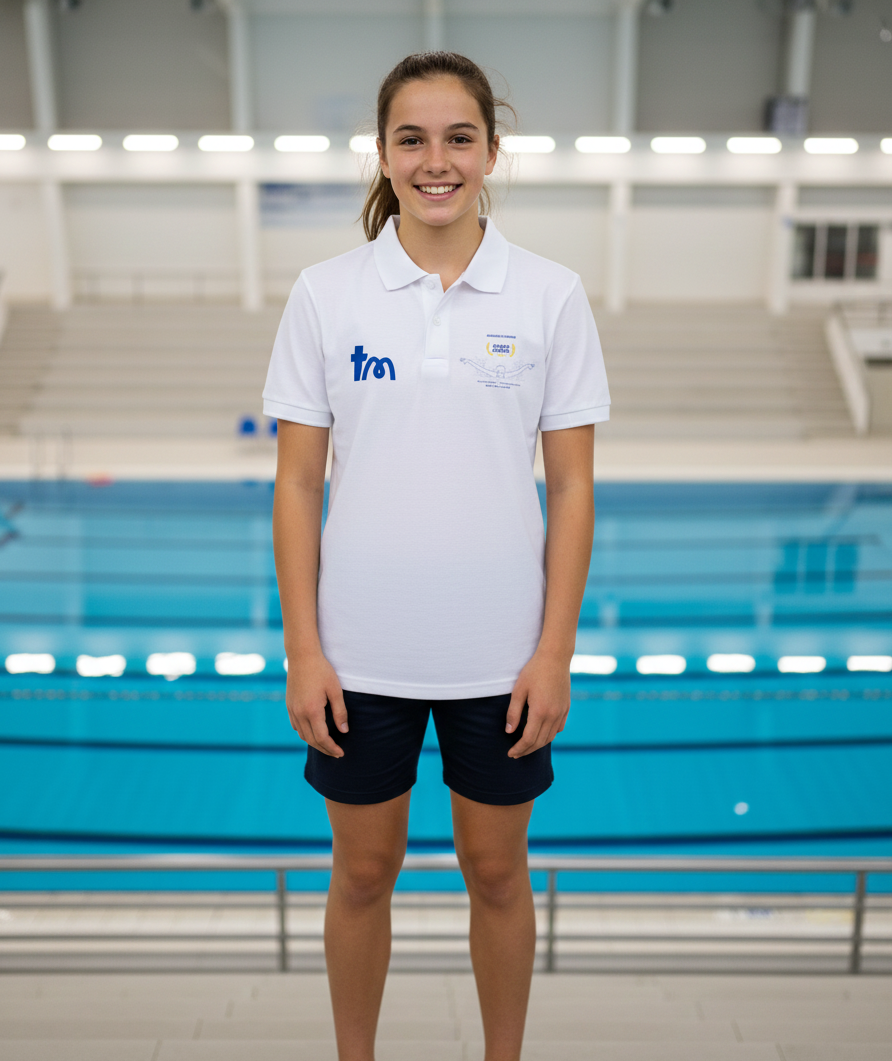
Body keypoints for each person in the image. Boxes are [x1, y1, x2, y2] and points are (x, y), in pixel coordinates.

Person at [263, 51, 610, 1061]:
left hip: (499, 658)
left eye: (458, 137)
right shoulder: (328, 294)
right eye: (411, 139)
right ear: (382, 153)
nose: (435, 160)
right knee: (361, 872)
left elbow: (574, 486)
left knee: (498, 874)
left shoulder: (547, 294)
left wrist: (553, 652)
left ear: (491, 150)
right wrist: (304, 649)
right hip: (359, 653)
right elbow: (295, 484)